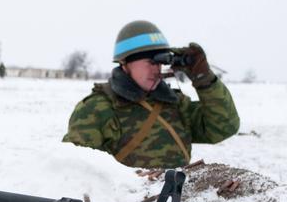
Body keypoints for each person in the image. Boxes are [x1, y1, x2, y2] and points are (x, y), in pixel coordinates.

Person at [63, 20, 240, 168]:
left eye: (160, 63)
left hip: (176, 201)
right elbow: (76, 170)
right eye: (150, 62)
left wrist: (204, 79)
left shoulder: (175, 103)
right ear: (125, 63)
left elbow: (223, 128)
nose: (157, 69)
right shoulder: (98, 108)